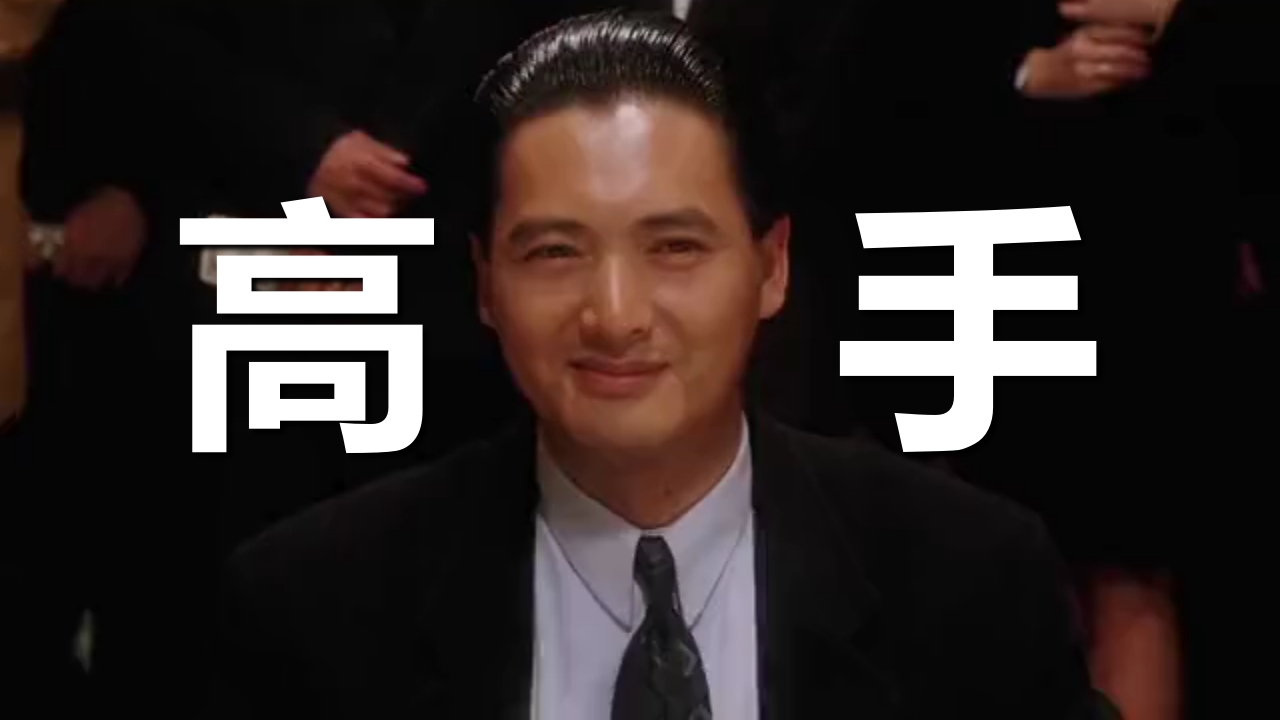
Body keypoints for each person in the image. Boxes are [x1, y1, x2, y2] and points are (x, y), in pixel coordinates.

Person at [210, 12, 1119, 719]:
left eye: (675, 247)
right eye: (554, 252)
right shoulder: (319, 603)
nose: (615, 316)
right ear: (485, 285)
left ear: (771, 266)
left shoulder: (968, 579)